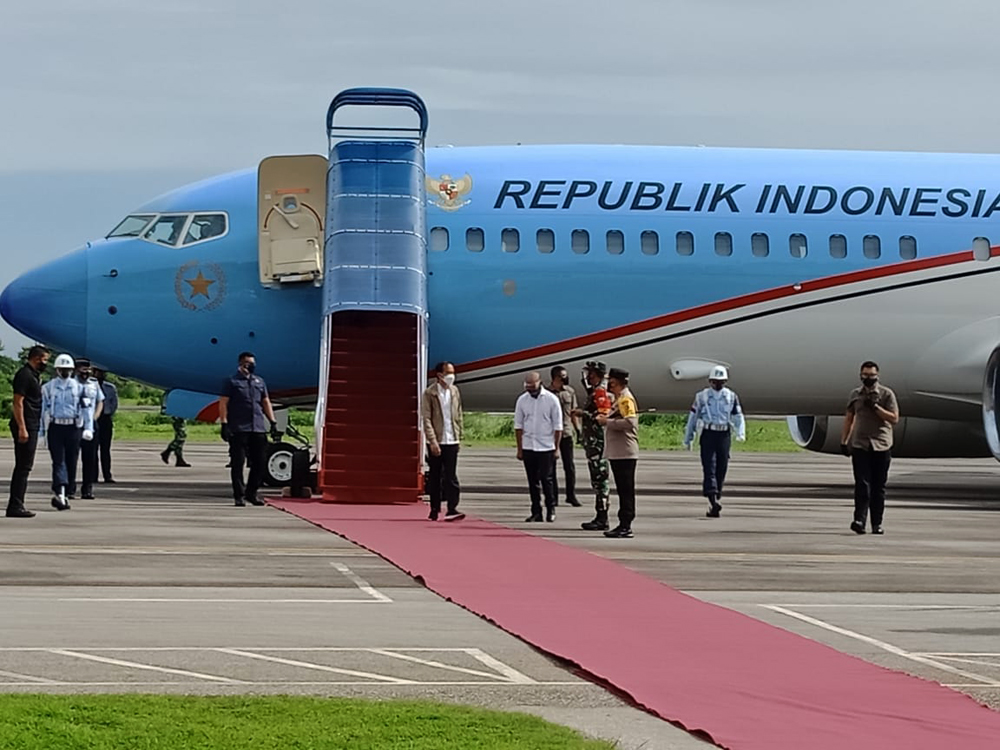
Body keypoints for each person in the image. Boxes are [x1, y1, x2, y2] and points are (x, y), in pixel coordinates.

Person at [840, 361, 899, 535]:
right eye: (865, 375)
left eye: (871, 375)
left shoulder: (887, 394)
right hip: (861, 445)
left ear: (877, 376)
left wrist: (876, 407)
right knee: (862, 485)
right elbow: (849, 418)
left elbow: (894, 418)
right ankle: (859, 520)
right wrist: (844, 441)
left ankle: (877, 524)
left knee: (878, 487)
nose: (868, 378)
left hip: (881, 445)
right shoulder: (855, 395)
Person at [683, 365, 746, 518]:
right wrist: (689, 437)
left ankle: (716, 496)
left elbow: (738, 416)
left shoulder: (731, 396)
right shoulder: (702, 397)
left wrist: (740, 432)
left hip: (724, 434)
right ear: (710, 381)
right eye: (715, 381)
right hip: (708, 433)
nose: (718, 385)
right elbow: (693, 417)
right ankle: (712, 499)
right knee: (709, 467)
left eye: (721, 381)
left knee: (722, 467)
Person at [219, 351, 278, 507]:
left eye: (253, 363)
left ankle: (252, 493)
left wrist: (272, 421)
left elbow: (265, 402)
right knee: (238, 463)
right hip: (239, 428)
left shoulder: (259, 381)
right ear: (241, 364)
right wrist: (224, 423)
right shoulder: (231, 381)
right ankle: (239, 495)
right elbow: (223, 402)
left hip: (257, 427)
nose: (251, 365)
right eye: (248, 363)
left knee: (259, 463)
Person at [40, 353, 96, 510]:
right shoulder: (48, 388)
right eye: (62, 369)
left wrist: (88, 428)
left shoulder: (80, 388)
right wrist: (41, 433)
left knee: (71, 461)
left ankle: (67, 490)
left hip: (73, 428)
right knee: (58, 461)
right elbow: (43, 410)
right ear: (57, 369)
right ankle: (60, 492)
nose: (65, 372)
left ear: (72, 370)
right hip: (56, 427)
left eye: (68, 369)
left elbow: (87, 409)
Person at [6, 345, 50, 518]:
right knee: (23, 467)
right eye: (45, 359)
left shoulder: (34, 376)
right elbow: (18, 402)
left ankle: (17, 503)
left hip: (32, 424)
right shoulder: (24, 376)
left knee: (25, 466)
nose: (45, 363)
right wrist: (22, 428)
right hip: (25, 425)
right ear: (37, 358)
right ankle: (15, 505)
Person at [514, 372, 562, 522]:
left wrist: (557, 447)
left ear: (540, 383)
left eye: (533, 387)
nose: (530, 390)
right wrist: (520, 448)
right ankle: (536, 511)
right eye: (527, 387)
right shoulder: (522, 400)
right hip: (529, 445)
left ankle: (551, 508)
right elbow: (518, 426)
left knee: (546, 479)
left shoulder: (551, 400)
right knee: (532, 481)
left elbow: (558, 426)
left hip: (546, 446)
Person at [597, 367, 639, 538]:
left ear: (618, 382)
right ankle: (623, 523)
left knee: (626, 490)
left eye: (611, 382)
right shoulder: (619, 399)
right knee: (623, 489)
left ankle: (626, 524)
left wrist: (607, 422)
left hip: (625, 452)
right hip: (619, 452)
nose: (609, 385)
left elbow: (630, 423)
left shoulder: (625, 400)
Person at [421, 361, 465, 522]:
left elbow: (458, 413)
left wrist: (459, 436)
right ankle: (434, 508)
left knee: (451, 475)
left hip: (451, 439)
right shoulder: (430, 393)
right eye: (448, 373)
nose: (451, 376)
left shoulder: (454, 391)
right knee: (435, 475)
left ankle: (452, 508)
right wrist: (432, 441)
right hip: (437, 440)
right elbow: (426, 419)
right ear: (439, 375)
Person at [573, 361, 613, 531]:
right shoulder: (596, 391)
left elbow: (602, 416)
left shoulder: (600, 392)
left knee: (600, 480)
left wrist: (583, 414)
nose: (588, 377)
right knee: (597, 480)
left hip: (598, 443)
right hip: (593, 443)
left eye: (591, 374)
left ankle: (602, 517)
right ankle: (600, 515)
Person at [549, 366, 581, 507]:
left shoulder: (570, 392)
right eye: (562, 376)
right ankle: (553, 496)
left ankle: (571, 495)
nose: (565, 379)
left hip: (566, 432)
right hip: (551, 434)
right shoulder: (547, 393)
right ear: (555, 377)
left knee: (569, 466)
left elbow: (573, 412)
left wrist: (578, 429)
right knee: (551, 467)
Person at [74, 358, 105, 500]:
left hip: (90, 425)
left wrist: (95, 416)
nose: (85, 372)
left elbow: (100, 401)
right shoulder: (70, 383)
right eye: (83, 369)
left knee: (90, 458)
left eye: (88, 369)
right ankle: (70, 488)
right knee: (71, 458)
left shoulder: (94, 384)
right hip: (74, 425)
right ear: (76, 369)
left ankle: (87, 488)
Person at [95, 368, 118, 483]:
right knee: (92, 450)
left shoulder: (110, 388)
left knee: (105, 449)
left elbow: (114, 404)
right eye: (98, 372)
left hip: (105, 419)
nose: (100, 375)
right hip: (94, 419)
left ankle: (107, 475)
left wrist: (108, 413)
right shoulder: (89, 387)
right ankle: (93, 475)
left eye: (102, 373)